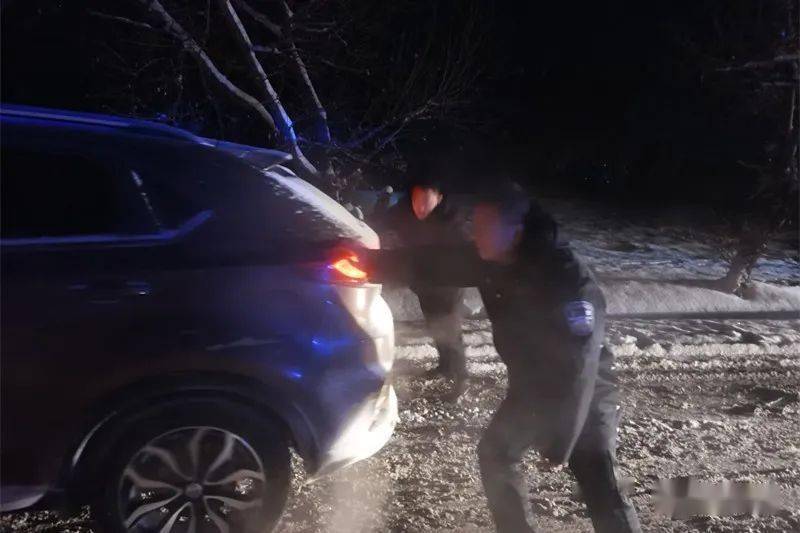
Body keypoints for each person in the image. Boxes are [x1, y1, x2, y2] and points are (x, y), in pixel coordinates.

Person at [367, 183, 641, 533]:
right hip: (530, 388)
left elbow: (580, 364)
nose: (475, 233)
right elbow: (427, 263)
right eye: (475, 224)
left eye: (485, 226)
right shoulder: (490, 259)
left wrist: (562, 440)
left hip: (583, 397)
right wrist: (363, 262)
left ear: (516, 231)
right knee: (495, 454)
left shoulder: (567, 280)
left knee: (599, 484)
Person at [372, 160, 469, 395]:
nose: (421, 206)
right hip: (423, 284)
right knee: (435, 326)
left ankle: (460, 378)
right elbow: (380, 222)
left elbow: (466, 255)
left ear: (439, 198)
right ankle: (444, 366)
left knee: (449, 330)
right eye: (417, 199)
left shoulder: (452, 221)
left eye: (427, 199)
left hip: (448, 285)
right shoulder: (403, 212)